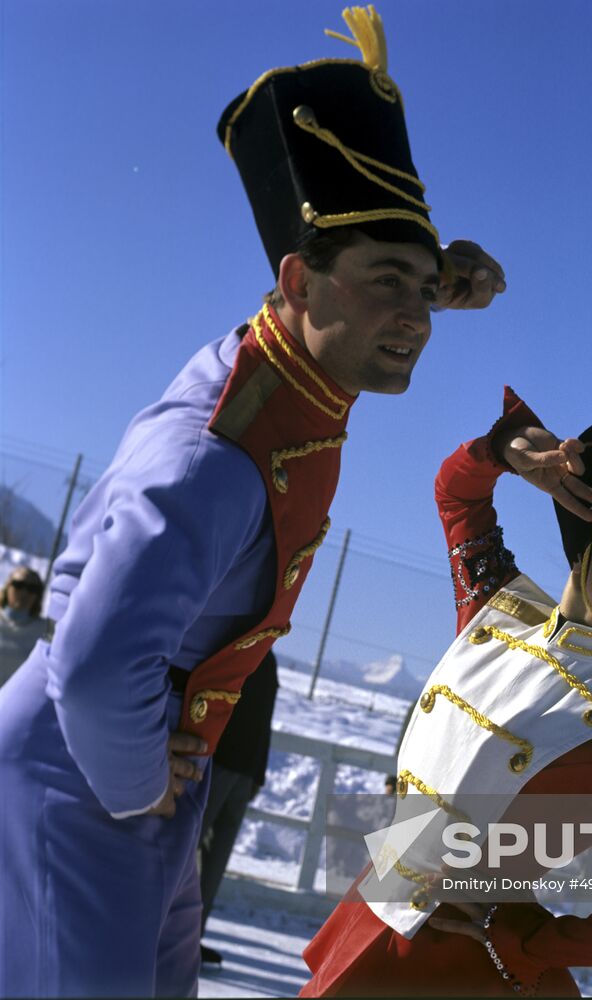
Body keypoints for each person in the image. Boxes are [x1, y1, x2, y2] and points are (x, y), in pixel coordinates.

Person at [0, 9, 505, 998]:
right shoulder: (216, 454)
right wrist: (144, 782)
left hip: (142, 777)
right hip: (87, 775)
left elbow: (344, 289)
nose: (413, 316)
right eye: (387, 283)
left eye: (422, 285)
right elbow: (97, 667)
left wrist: (434, 281)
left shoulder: (282, 361)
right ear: (296, 280)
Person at [300, 380, 592, 996]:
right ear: (587, 539)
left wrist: (530, 943)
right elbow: (457, 494)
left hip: (466, 969)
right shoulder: (494, 611)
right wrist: (504, 449)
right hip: (373, 920)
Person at [199, 650, 279, 966]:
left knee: (212, 860)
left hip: (236, 771)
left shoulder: (261, 654)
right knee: (188, 855)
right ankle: (169, 935)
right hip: (219, 764)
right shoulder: (245, 647)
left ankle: (188, 937)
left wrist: (257, 774)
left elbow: (264, 718)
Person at [0, 566, 48, 687]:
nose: (24, 592)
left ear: (38, 596)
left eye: (32, 588)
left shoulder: (46, 631)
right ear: (7, 586)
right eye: (19, 585)